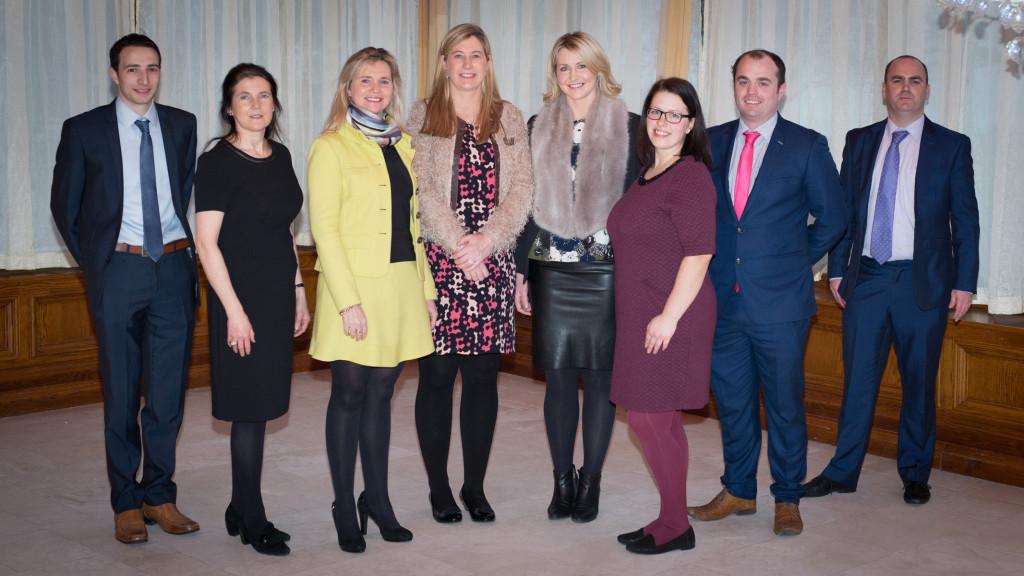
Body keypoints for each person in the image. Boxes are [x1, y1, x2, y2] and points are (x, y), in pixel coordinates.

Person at [802, 55, 979, 506]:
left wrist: (965, 282)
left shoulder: (952, 146)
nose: (905, 88)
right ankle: (843, 471)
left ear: (927, 89)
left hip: (923, 281)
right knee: (858, 379)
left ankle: (915, 473)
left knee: (918, 382)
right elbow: (843, 209)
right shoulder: (859, 141)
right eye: (896, 80)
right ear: (884, 89)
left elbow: (966, 221)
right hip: (868, 278)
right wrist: (838, 268)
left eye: (914, 80)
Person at [687, 49, 846, 536]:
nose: (751, 91)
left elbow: (835, 218)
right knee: (732, 403)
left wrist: (794, 260)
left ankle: (787, 495)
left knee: (782, 404)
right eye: (742, 81)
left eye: (762, 82)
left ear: (781, 90)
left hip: (780, 304)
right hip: (721, 301)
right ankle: (739, 489)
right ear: (732, 86)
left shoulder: (806, 145)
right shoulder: (710, 143)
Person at [50, 33, 200, 545]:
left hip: (175, 269)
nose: (143, 79)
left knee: (167, 394)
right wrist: (99, 265)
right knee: (120, 390)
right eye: (133, 69)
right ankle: (125, 502)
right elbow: (65, 209)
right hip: (119, 271)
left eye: (152, 69)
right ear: (114, 73)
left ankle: (159, 495)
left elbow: (180, 193)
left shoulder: (182, 125)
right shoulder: (85, 130)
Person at [308, 47, 437, 554]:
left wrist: (425, 292)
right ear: (348, 88)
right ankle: (344, 504)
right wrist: (346, 302)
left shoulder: (404, 144)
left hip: (402, 285)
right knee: (349, 395)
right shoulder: (330, 146)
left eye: (384, 81)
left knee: (382, 397)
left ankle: (377, 501)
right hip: (354, 289)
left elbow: (416, 226)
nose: (376, 89)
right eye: (366, 81)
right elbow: (326, 229)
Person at [407, 23, 533, 524]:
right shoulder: (421, 115)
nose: (466, 65)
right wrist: (461, 244)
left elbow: (522, 190)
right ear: (443, 62)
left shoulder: (509, 118)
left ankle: (474, 487)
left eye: (475, 55)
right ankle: (439, 488)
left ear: (488, 62)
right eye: (457, 55)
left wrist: (487, 242)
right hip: (440, 261)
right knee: (437, 376)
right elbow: (419, 187)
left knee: (482, 379)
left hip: (492, 263)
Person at [513, 31, 639, 523]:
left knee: (602, 380)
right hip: (552, 269)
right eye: (563, 67)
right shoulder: (536, 124)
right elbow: (526, 204)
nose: (573, 76)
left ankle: (592, 481)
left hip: (608, 271)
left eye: (581, 66)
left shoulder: (631, 126)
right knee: (559, 381)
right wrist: (521, 271)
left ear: (598, 69)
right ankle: (561, 479)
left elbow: (642, 204)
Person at [194, 63, 309, 556]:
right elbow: (206, 244)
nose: (257, 105)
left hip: (277, 295)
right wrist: (234, 313)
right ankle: (253, 518)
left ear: (275, 104)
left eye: (264, 95)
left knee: (263, 409)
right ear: (229, 106)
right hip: (237, 299)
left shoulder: (280, 156)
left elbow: (284, 231)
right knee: (247, 411)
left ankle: (240, 506)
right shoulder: (218, 161)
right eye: (245, 96)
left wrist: (299, 287)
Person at [607, 77, 716, 554]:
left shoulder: (691, 175)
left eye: (675, 115)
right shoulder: (648, 172)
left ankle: (675, 525)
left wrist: (669, 317)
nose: (663, 122)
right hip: (640, 311)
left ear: (691, 124)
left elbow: (699, 254)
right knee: (658, 420)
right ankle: (672, 518)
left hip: (674, 312)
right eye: (655, 112)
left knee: (648, 421)